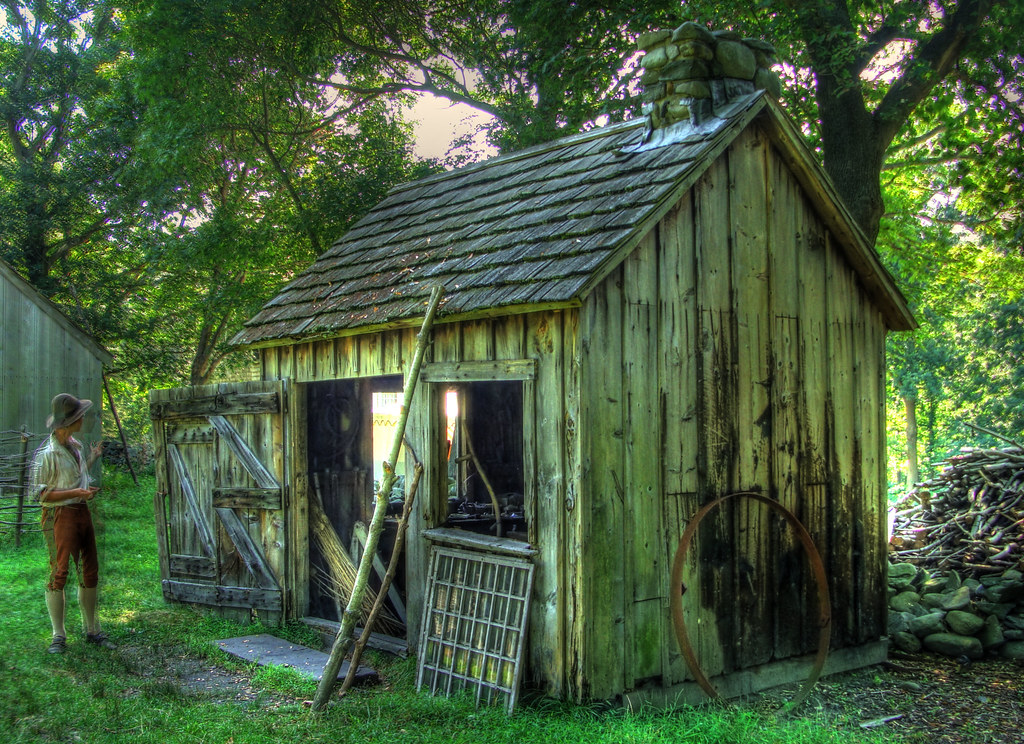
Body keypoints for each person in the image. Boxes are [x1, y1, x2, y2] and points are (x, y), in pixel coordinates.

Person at [30, 393, 113, 653]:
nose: (83, 418)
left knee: (90, 571)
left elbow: (76, 479)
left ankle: (93, 630)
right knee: (59, 573)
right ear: (70, 421)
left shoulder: (75, 446)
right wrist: (76, 493)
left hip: (80, 512)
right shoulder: (47, 454)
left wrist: (92, 460)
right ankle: (58, 636)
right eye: (80, 415)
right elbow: (41, 495)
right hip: (58, 516)